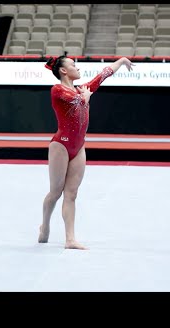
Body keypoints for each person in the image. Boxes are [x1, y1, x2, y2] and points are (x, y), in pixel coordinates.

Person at [39, 54, 134, 249]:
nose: (78, 68)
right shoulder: (57, 90)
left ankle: (70, 239)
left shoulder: (81, 90)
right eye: (74, 65)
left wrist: (122, 61)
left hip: (78, 146)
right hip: (61, 145)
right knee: (55, 192)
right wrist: (85, 96)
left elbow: (103, 75)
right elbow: (76, 102)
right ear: (64, 70)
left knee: (71, 194)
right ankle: (45, 225)